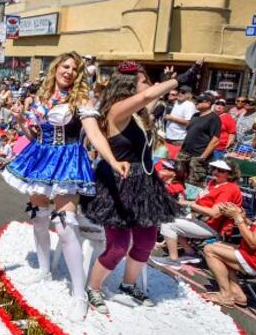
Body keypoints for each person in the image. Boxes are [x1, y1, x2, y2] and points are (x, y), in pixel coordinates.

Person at [4, 51, 129, 322]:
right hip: (40, 158)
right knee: (38, 218)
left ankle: (79, 294)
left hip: (67, 159)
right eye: (66, 66)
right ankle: (44, 270)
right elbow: (32, 133)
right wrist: (17, 121)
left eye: (75, 68)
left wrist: (112, 160)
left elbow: (94, 133)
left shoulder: (81, 99)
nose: (70, 71)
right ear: (56, 68)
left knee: (65, 225)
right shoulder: (41, 96)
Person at [84, 61, 196, 313]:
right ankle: (94, 287)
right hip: (119, 182)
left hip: (144, 183)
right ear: (129, 84)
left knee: (146, 241)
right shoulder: (116, 109)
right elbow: (147, 95)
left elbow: (149, 98)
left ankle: (128, 284)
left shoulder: (138, 112)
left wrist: (164, 83)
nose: (149, 85)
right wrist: (182, 79)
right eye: (144, 80)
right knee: (118, 245)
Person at [157, 159, 243, 268]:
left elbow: (214, 213)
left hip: (211, 226)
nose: (215, 172)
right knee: (171, 218)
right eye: (214, 168)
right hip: (200, 219)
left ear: (230, 174)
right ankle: (190, 253)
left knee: (168, 223)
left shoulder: (229, 189)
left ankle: (173, 260)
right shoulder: (214, 182)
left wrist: (189, 204)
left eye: (220, 170)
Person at [202, 202, 256, 307]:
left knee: (209, 250)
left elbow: (253, 243)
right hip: (251, 255)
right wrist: (243, 217)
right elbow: (254, 230)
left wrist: (238, 217)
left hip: (254, 261)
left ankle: (226, 295)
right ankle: (237, 293)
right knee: (218, 245)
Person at [175, 93, 221, 186]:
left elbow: (215, 140)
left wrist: (203, 156)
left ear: (208, 103)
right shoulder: (195, 115)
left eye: (199, 101)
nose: (196, 103)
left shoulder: (214, 118)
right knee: (178, 177)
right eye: (196, 101)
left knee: (195, 183)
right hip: (185, 153)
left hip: (198, 155)